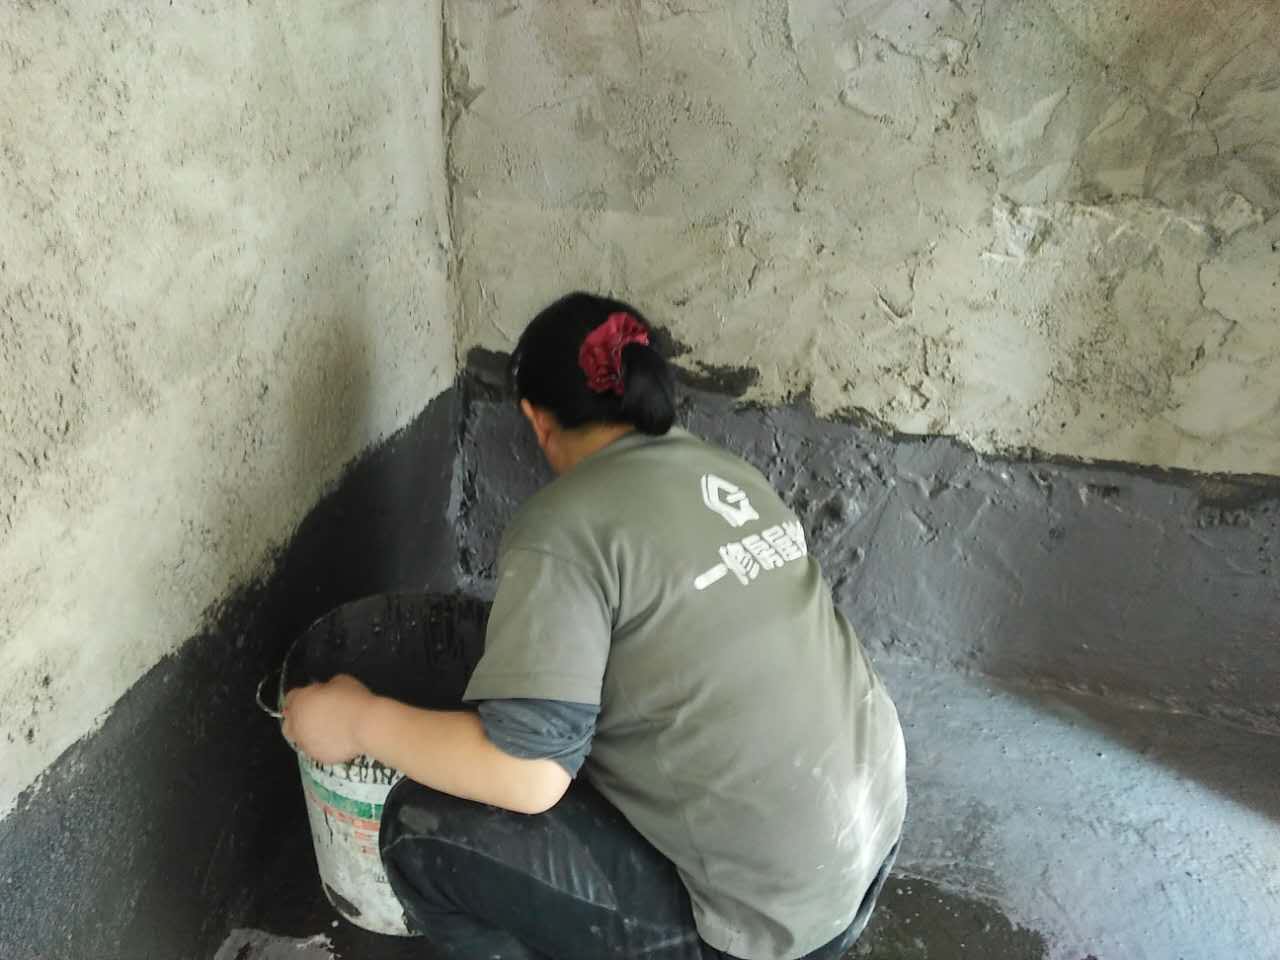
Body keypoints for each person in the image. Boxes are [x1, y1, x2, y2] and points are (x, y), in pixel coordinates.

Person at [283, 292, 907, 960]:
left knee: (418, 831)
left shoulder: (562, 528)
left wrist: (357, 721)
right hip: (861, 852)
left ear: (535, 418)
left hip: (760, 932)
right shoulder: (729, 474)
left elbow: (530, 778)